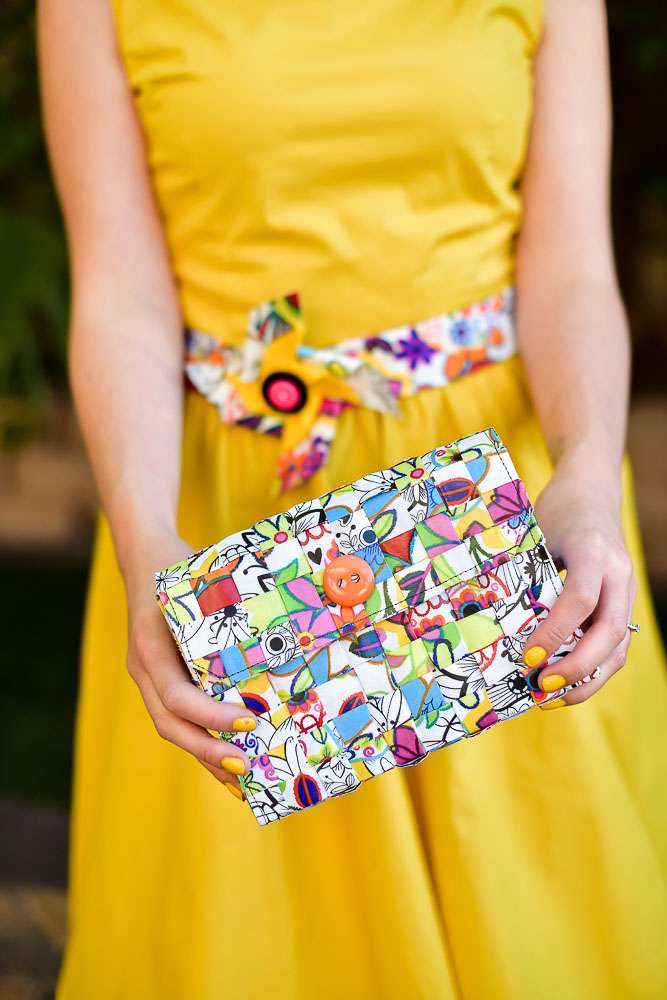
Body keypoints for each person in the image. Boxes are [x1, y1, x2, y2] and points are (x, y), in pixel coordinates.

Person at [39, 0, 667, 996]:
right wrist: (143, 533)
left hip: (498, 523)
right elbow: (120, 291)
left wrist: (587, 467)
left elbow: (572, 269)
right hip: (228, 540)